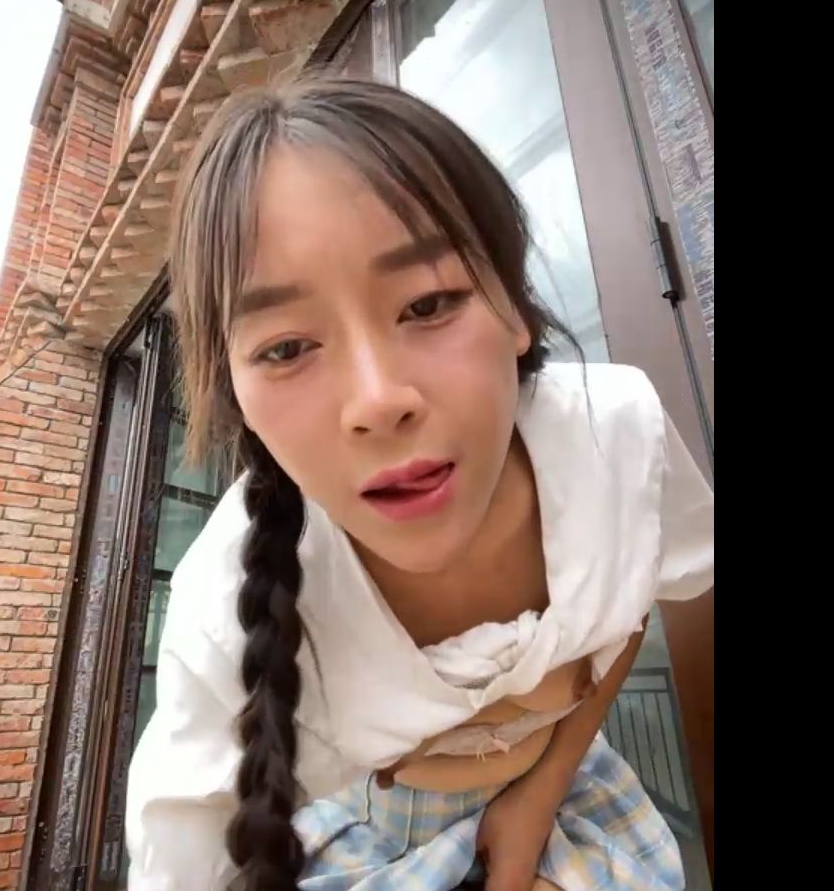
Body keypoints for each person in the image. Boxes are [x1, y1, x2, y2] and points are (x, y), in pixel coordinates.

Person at [125, 76, 714, 891]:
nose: (378, 402)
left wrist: (539, 796)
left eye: (429, 303)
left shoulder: (614, 437)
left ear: (515, 308)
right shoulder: (222, 604)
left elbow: (633, 596)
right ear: (236, 394)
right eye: (286, 348)